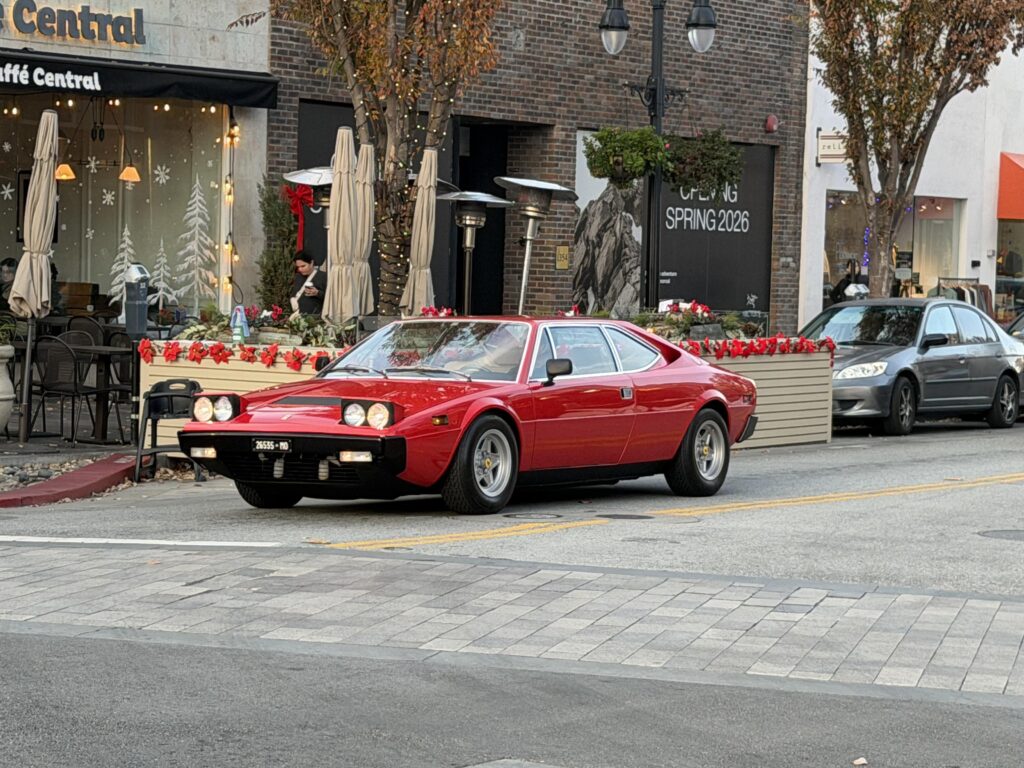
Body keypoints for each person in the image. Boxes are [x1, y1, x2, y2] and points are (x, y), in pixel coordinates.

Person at [290, 251, 327, 317]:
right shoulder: (298, 276)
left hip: (314, 317)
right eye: (298, 267)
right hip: (297, 316)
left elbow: (329, 297)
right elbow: (294, 292)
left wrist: (317, 293)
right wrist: (292, 299)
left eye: (303, 266)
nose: (300, 269)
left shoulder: (323, 277)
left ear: (311, 263)